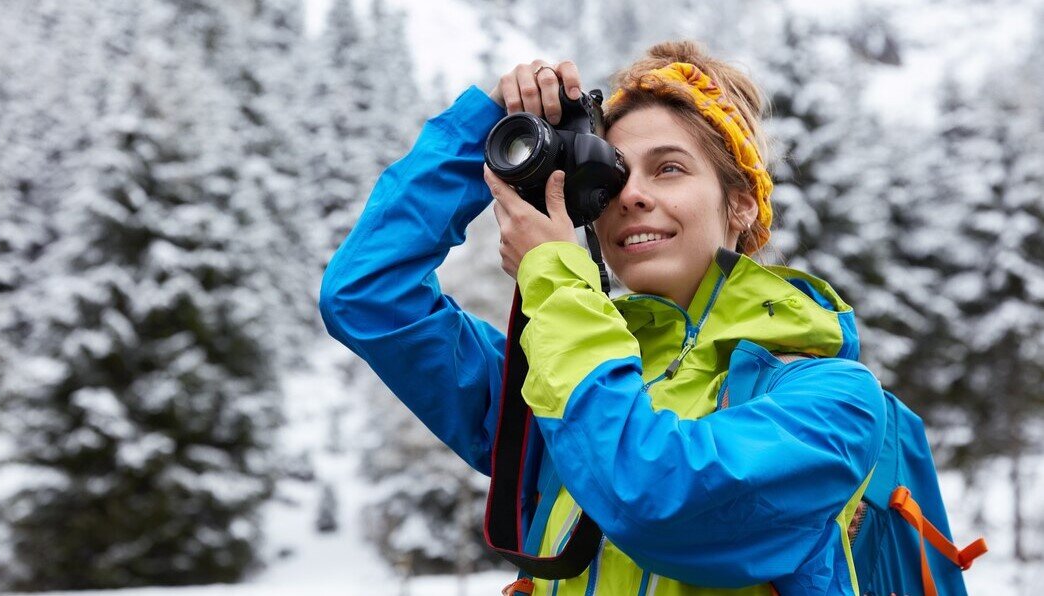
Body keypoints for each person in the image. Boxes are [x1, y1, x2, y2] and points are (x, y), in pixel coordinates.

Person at [320, 41, 886, 595]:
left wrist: (554, 279)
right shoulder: (552, 380)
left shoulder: (834, 399)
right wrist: (484, 127)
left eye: (668, 169)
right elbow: (367, 295)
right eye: (614, 175)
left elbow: (649, 495)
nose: (631, 195)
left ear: (740, 202)